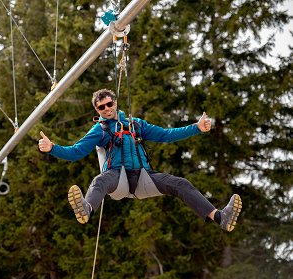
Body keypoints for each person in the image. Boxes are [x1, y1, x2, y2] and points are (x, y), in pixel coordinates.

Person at [38, 89, 242, 232]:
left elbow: (166, 135)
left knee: (181, 184)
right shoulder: (100, 130)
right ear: (97, 111)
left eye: (109, 104)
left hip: (144, 177)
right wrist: (53, 148)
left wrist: (195, 128)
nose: (107, 109)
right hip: (118, 178)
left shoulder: (136, 124)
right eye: (102, 107)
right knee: (99, 181)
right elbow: (76, 152)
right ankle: (87, 209)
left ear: (115, 102)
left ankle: (219, 217)